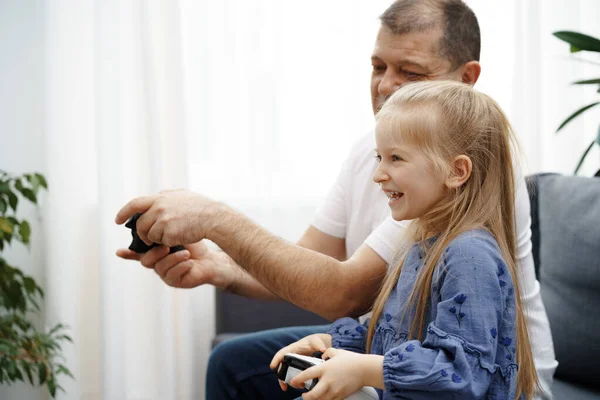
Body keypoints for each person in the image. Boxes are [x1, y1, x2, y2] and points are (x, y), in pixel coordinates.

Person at [115, 1, 557, 398]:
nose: (386, 86)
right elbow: (324, 274)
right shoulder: (404, 193)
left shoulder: (468, 208)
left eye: (411, 72)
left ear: (467, 78)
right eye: (378, 66)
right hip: (408, 358)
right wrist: (223, 267)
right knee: (236, 363)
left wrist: (214, 218)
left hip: (496, 385)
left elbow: (341, 293)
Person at [270, 80, 538, 400]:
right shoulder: (418, 246)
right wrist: (332, 344)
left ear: (457, 172)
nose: (379, 174)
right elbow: (392, 339)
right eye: (379, 157)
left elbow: (463, 373)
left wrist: (364, 370)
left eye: (395, 158)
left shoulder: (469, 257)